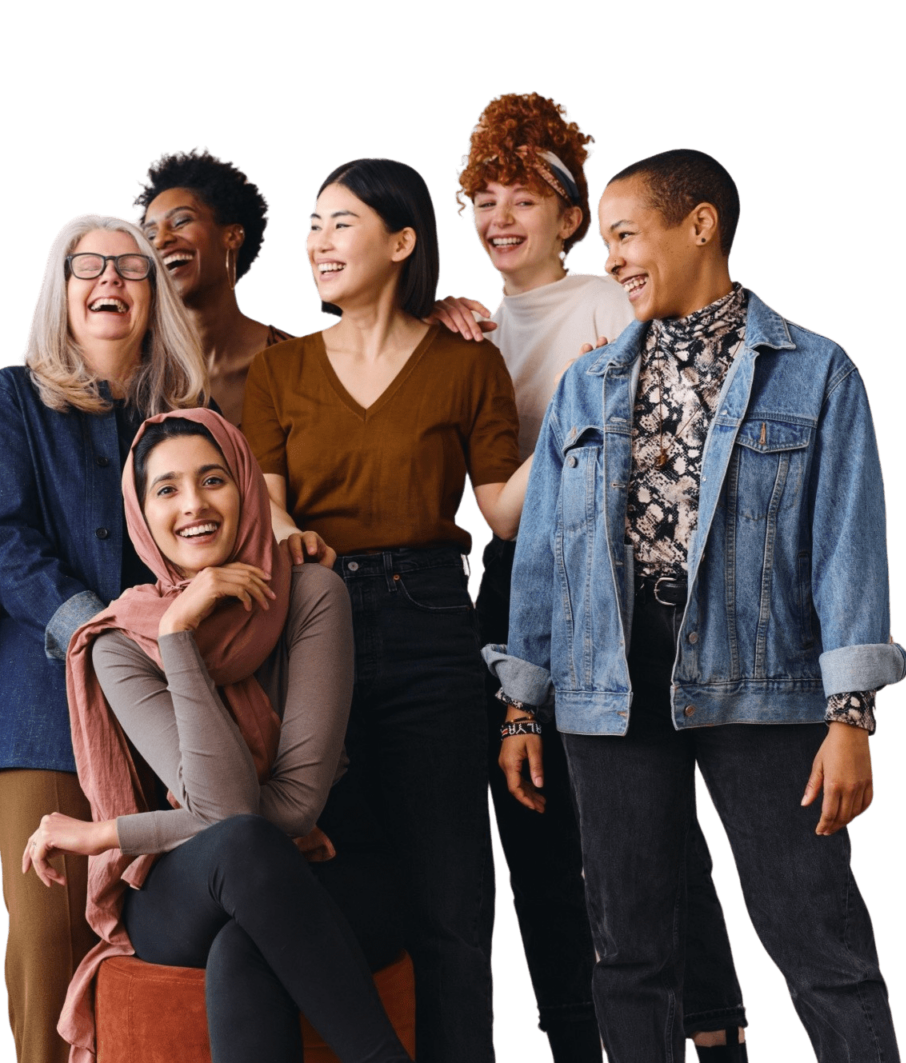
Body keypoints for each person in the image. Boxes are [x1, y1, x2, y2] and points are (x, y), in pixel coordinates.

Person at [488, 147, 906, 1061]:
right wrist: (524, 702)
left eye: (628, 235)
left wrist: (851, 715)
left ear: (701, 225)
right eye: (606, 244)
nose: (616, 260)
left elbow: (847, 547)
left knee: (818, 942)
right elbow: (548, 554)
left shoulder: (815, 371)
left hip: (764, 678)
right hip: (611, 680)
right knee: (629, 951)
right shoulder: (588, 385)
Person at [437, 92, 750, 1060]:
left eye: (523, 199)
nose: (499, 218)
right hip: (509, 582)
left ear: (573, 218)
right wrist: (432, 326)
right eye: (483, 197)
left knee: (642, 816)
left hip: (609, 583)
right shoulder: (464, 323)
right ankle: (575, 1030)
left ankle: (709, 1019)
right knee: (530, 821)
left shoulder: (612, 297)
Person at [244, 157, 534, 1063]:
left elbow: (497, 510)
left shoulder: (467, 362)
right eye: (312, 226)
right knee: (333, 869)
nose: (317, 243)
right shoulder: (279, 367)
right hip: (312, 619)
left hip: (434, 622)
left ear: (400, 241)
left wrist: (577, 414)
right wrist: (288, 526)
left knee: (451, 892)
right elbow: (263, 497)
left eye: (340, 224)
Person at [25, 408, 411, 1063]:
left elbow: (294, 808)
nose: (193, 505)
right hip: (187, 883)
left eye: (213, 479)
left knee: (244, 945)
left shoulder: (312, 594)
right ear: (140, 513)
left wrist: (110, 834)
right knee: (242, 845)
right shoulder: (120, 642)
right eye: (166, 489)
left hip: (337, 861)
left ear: (246, 488)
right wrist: (177, 633)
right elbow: (235, 814)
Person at [0, 214, 209, 1062]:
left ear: (155, 293)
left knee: (159, 939)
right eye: (88, 266)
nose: (110, 280)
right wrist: (100, 631)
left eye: (132, 268)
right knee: (46, 940)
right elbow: (2, 538)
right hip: (41, 709)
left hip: (169, 704)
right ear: (61, 289)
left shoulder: (187, 409)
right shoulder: (11, 397)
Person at [135, 147, 293, 426]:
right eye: (150, 234)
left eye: (181, 221)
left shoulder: (294, 363)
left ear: (232, 236)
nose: (161, 240)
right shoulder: (136, 366)